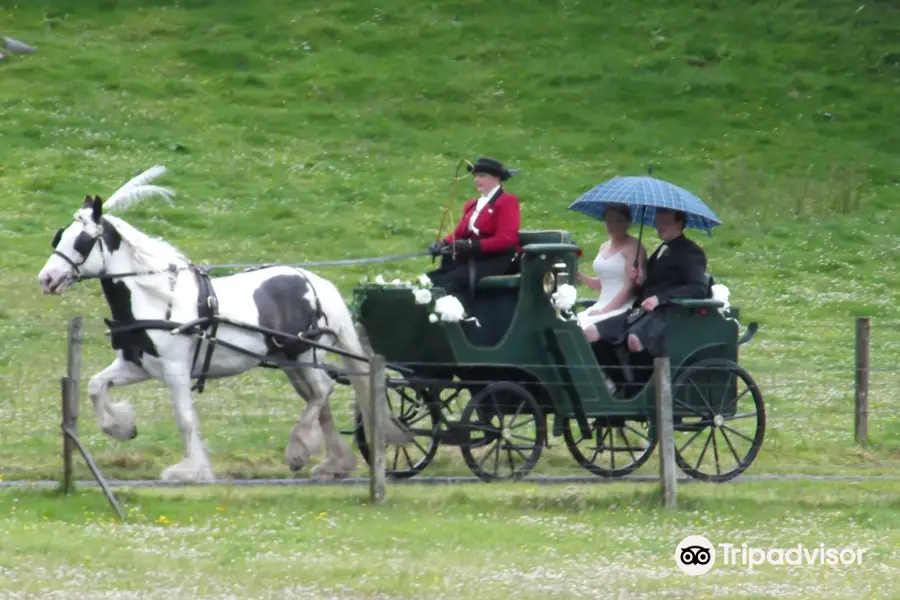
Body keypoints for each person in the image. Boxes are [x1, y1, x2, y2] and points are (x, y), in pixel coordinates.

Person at [586, 208, 710, 391]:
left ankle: (640, 392)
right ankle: (620, 387)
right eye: (658, 222)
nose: (660, 226)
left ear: (680, 224)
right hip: (642, 312)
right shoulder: (661, 249)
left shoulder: (691, 253)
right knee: (593, 332)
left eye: (665, 222)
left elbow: (698, 288)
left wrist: (660, 299)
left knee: (635, 340)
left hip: (669, 314)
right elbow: (653, 284)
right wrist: (640, 279)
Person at [426, 157, 521, 297]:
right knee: (430, 279)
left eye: (482, 176)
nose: (477, 180)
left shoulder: (507, 201)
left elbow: (506, 239)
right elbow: (458, 233)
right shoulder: (472, 205)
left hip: (497, 260)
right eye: (475, 176)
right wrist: (443, 243)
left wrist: (471, 245)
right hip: (472, 258)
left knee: (450, 281)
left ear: (496, 178)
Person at [574, 203, 647, 338]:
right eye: (609, 221)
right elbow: (605, 284)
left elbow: (627, 289)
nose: (613, 225)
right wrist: (581, 276)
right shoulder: (603, 246)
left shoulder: (634, 248)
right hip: (602, 303)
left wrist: (604, 311)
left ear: (628, 223)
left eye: (618, 221)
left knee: (586, 330)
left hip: (622, 307)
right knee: (571, 327)